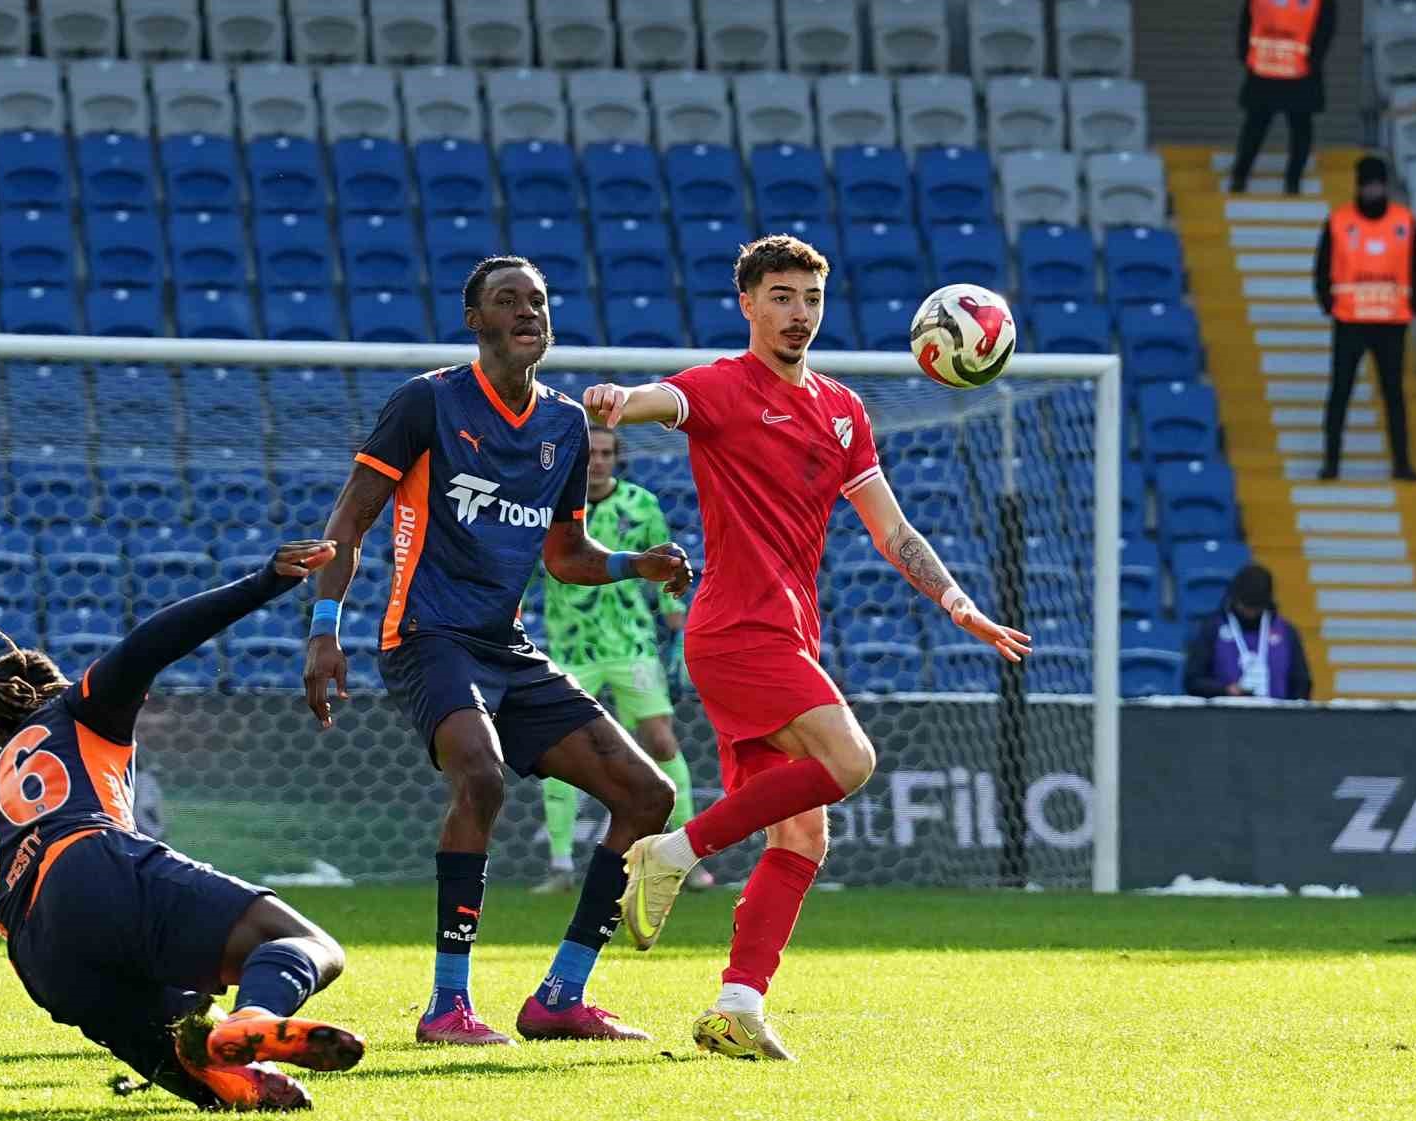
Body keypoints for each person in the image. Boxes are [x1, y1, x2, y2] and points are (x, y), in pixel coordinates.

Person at [583, 235, 1030, 1060]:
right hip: (734, 628)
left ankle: (736, 1006)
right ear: (748, 304)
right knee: (852, 759)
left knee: (803, 838)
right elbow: (657, 401)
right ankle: (672, 851)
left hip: (787, 631)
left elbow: (893, 529)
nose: (799, 315)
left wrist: (958, 602)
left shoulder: (842, 410)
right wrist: (616, 400)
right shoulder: (720, 388)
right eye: (781, 298)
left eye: (810, 300)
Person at [303, 256, 692, 1047]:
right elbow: (350, 519)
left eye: (538, 301)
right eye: (506, 302)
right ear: (474, 320)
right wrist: (323, 628)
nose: (527, 313)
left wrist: (632, 565)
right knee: (480, 775)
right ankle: (448, 1005)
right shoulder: (428, 402)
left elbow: (566, 556)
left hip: (505, 648)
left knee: (647, 796)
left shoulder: (564, 427)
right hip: (426, 636)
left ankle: (561, 996)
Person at [0, 541, 364, 1111]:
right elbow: (150, 644)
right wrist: (262, 582)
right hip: (88, 864)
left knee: (226, 1083)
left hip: (47, 964)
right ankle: (254, 1018)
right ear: (53, 691)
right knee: (306, 944)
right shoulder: (76, 711)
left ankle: (224, 1059)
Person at [531, 426, 712, 894]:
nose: (598, 462)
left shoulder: (642, 504)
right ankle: (560, 865)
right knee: (559, 752)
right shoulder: (551, 505)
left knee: (661, 740)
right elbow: (528, 568)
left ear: (617, 459)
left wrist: (679, 626)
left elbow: (668, 569)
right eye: (591, 454)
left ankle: (686, 856)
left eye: (607, 454)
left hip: (632, 645)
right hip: (571, 648)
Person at [1316, 154, 1416, 481]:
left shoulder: (1404, 221)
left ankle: (1402, 464)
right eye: (1368, 185)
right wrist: (1329, 304)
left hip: (1391, 323)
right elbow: (1323, 267)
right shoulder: (1339, 221)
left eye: (1378, 185)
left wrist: (1412, 307)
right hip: (1350, 321)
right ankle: (1331, 462)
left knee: (1394, 395)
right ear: (1359, 186)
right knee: (1340, 393)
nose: (1373, 191)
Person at [1229, 0, 1336, 196]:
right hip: (1275, 69)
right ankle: (1241, 176)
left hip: (1293, 70)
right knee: (1258, 126)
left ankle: (1291, 181)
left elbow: (1325, 27)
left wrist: (1314, 60)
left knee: (1293, 127)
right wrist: (1245, 53)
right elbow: (1247, 19)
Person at [1184, 563, 1312, 701]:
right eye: (1246, 605)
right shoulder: (1213, 628)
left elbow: (1302, 683)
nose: (1250, 612)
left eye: (1256, 607)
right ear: (1235, 598)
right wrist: (1224, 690)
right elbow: (1192, 680)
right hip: (1224, 717)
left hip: (1277, 717)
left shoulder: (1286, 632)